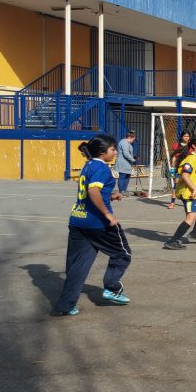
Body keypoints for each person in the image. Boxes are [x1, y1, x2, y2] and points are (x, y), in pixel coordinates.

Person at [53, 134, 132, 316]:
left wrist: (110, 196)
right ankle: (112, 288)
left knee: (77, 266)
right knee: (123, 254)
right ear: (103, 152)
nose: (115, 152)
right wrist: (107, 213)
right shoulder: (101, 168)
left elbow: (92, 191)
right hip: (98, 223)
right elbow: (93, 190)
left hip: (78, 220)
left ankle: (66, 305)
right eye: (113, 149)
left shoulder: (88, 165)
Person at [164, 135, 196, 250]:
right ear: (194, 146)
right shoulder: (190, 159)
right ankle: (172, 241)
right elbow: (185, 175)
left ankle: (194, 233)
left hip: (195, 192)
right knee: (191, 218)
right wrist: (194, 188)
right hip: (189, 193)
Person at [166, 131, 192, 210]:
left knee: (189, 185)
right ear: (181, 137)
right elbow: (173, 158)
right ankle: (172, 203)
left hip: (188, 169)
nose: (186, 137)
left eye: (188, 136)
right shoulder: (176, 145)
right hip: (178, 168)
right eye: (185, 136)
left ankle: (189, 201)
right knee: (175, 186)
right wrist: (172, 170)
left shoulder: (192, 147)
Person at [114, 130, 137, 196]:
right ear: (129, 137)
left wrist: (133, 157)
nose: (133, 141)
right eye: (133, 139)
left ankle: (125, 190)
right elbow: (126, 153)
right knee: (122, 177)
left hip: (127, 163)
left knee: (127, 176)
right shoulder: (124, 142)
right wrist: (133, 160)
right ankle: (121, 191)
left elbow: (128, 153)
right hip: (122, 163)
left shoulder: (127, 143)